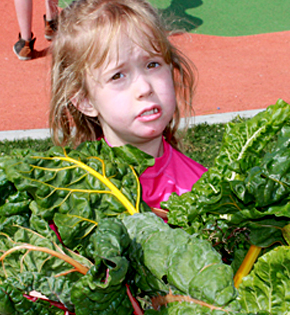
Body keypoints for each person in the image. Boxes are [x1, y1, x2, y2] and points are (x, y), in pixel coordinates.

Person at [48, 0, 207, 213]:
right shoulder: (69, 196)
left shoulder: (204, 191)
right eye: (118, 75)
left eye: (152, 64)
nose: (144, 87)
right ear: (84, 101)